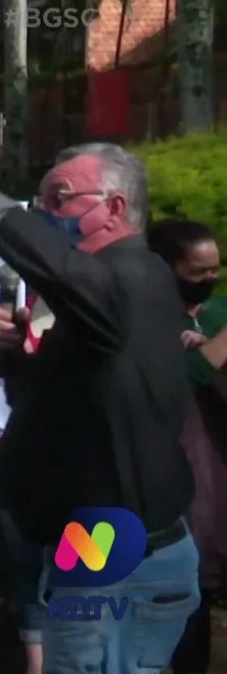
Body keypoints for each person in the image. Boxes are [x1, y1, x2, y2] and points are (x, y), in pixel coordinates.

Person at [0, 128, 200, 674]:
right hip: (103, 546)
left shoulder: (129, 276)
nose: (44, 213)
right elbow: (58, 400)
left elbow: (66, 271)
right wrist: (17, 356)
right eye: (39, 201)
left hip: (111, 554)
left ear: (113, 209)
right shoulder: (99, 301)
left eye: (59, 198)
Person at [148, 219, 227, 674]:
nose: (209, 280)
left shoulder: (217, 314)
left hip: (220, 476)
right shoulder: (151, 319)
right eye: (198, 272)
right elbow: (183, 380)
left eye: (214, 270)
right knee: (186, 603)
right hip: (182, 491)